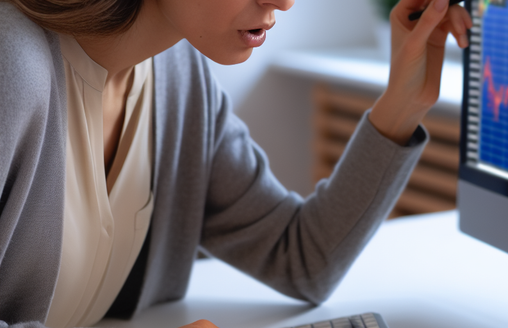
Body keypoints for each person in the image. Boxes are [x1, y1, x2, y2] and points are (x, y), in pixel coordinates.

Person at [0, 0, 472, 327]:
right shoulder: (11, 64)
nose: (284, 3)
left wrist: (403, 104)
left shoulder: (179, 77)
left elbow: (302, 258)